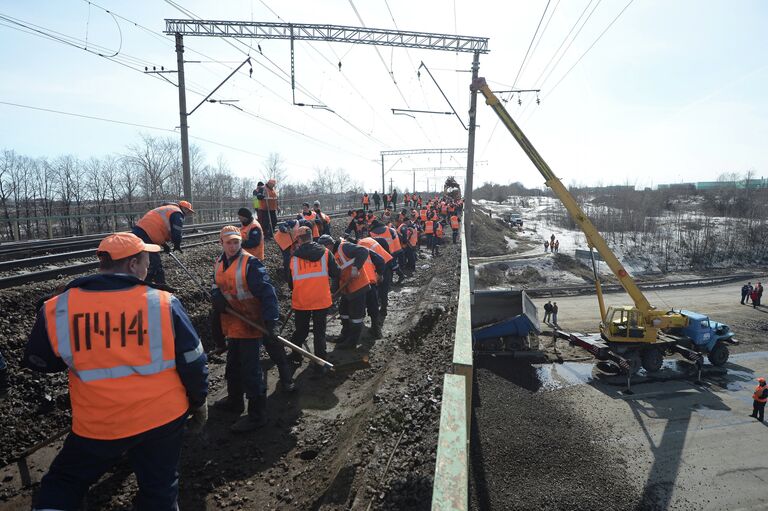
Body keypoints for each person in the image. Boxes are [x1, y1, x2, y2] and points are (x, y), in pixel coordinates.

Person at [23, 232, 208, 510]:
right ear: (133, 265)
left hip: (99, 423)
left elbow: (45, 362)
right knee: (159, 488)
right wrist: (198, 400)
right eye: (146, 260)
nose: (148, 267)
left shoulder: (57, 307)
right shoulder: (162, 303)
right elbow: (193, 360)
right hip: (162, 417)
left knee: (64, 483)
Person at [211, 226, 284, 432]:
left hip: (251, 323)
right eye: (229, 243)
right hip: (233, 323)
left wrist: (271, 322)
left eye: (236, 242)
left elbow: (268, 294)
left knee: (251, 371)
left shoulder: (250, 263)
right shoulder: (218, 262)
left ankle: (257, 415)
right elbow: (217, 285)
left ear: (240, 242)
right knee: (233, 366)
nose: (233, 246)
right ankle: (235, 401)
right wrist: (216, 296)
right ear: (221, 243)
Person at [288, 227, 340, 367]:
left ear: (298, 239)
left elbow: (290, 282)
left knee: (301, 330)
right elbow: (336, 273)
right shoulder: (326, 253)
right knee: (319, 332)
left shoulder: (293, 257)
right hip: (320, 300)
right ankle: (320, 363)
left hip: (301, 300)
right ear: (311, 236)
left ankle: (295, 355)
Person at [318, 235, 381, 349]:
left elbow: (363, 251)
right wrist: (334, 292)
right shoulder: (331, 255)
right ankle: (345, 335)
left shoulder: (344, 247)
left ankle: (352, 342)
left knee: (356, 316)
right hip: (347, 289)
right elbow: (336, 276)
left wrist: (355, 267)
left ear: (329, 245)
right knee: (343, 312)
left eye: (324, 248)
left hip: (358, 286)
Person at [132, 200, 194, 284]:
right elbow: (176, 232)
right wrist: (177, 245)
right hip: (146, 234)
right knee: (153, 263)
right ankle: (146, 287)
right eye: (187, 211)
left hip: (140, 231)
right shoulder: (177, 213)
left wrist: (164, 245)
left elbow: (157, 228)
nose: (187, 214)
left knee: (153, 262)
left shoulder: (167, 209)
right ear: (183, 208)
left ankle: (160, 285)